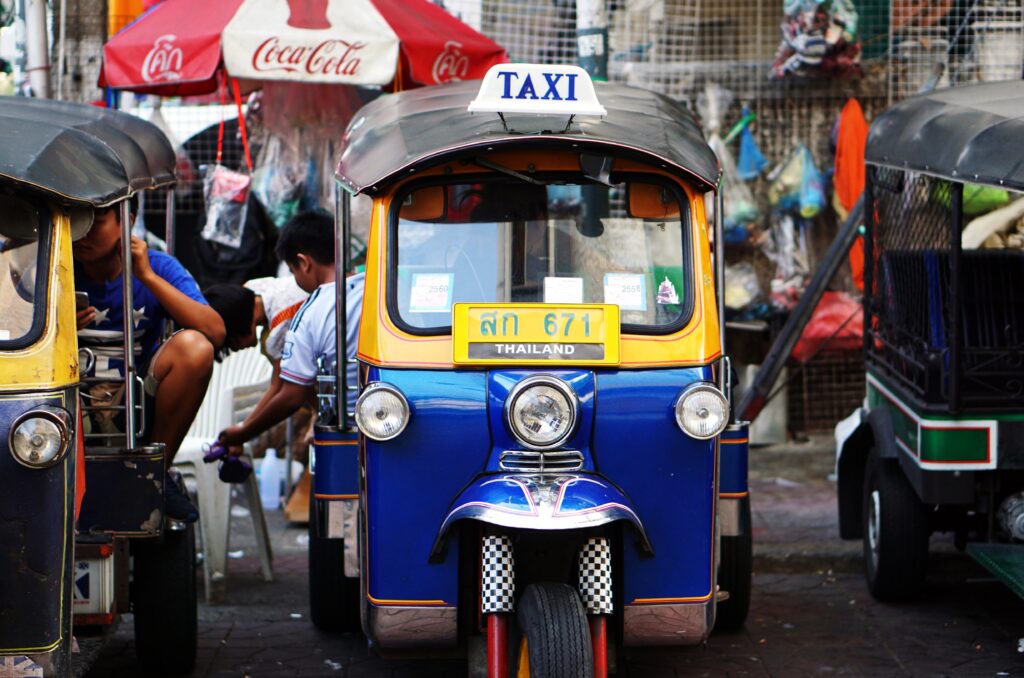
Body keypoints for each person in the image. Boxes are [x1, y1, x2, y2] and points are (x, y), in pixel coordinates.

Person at [75, 200, 225, 522]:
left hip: (135, 399)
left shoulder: (158, 266)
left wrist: (146, 276)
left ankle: (156, 471)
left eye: (96, 221)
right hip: (66, 400)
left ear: (126, 221)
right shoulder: (51, 268)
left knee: (195, 348)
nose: (83, 233)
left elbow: (214, 331)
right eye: (77, 221)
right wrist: (55, 326)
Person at [217, 210, 363, 449]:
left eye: (293, 271)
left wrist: (243, 433)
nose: (295, 280)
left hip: (347, 431)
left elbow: (291, 395)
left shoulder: (308, 316)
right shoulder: (377, 286)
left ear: (304, 263)